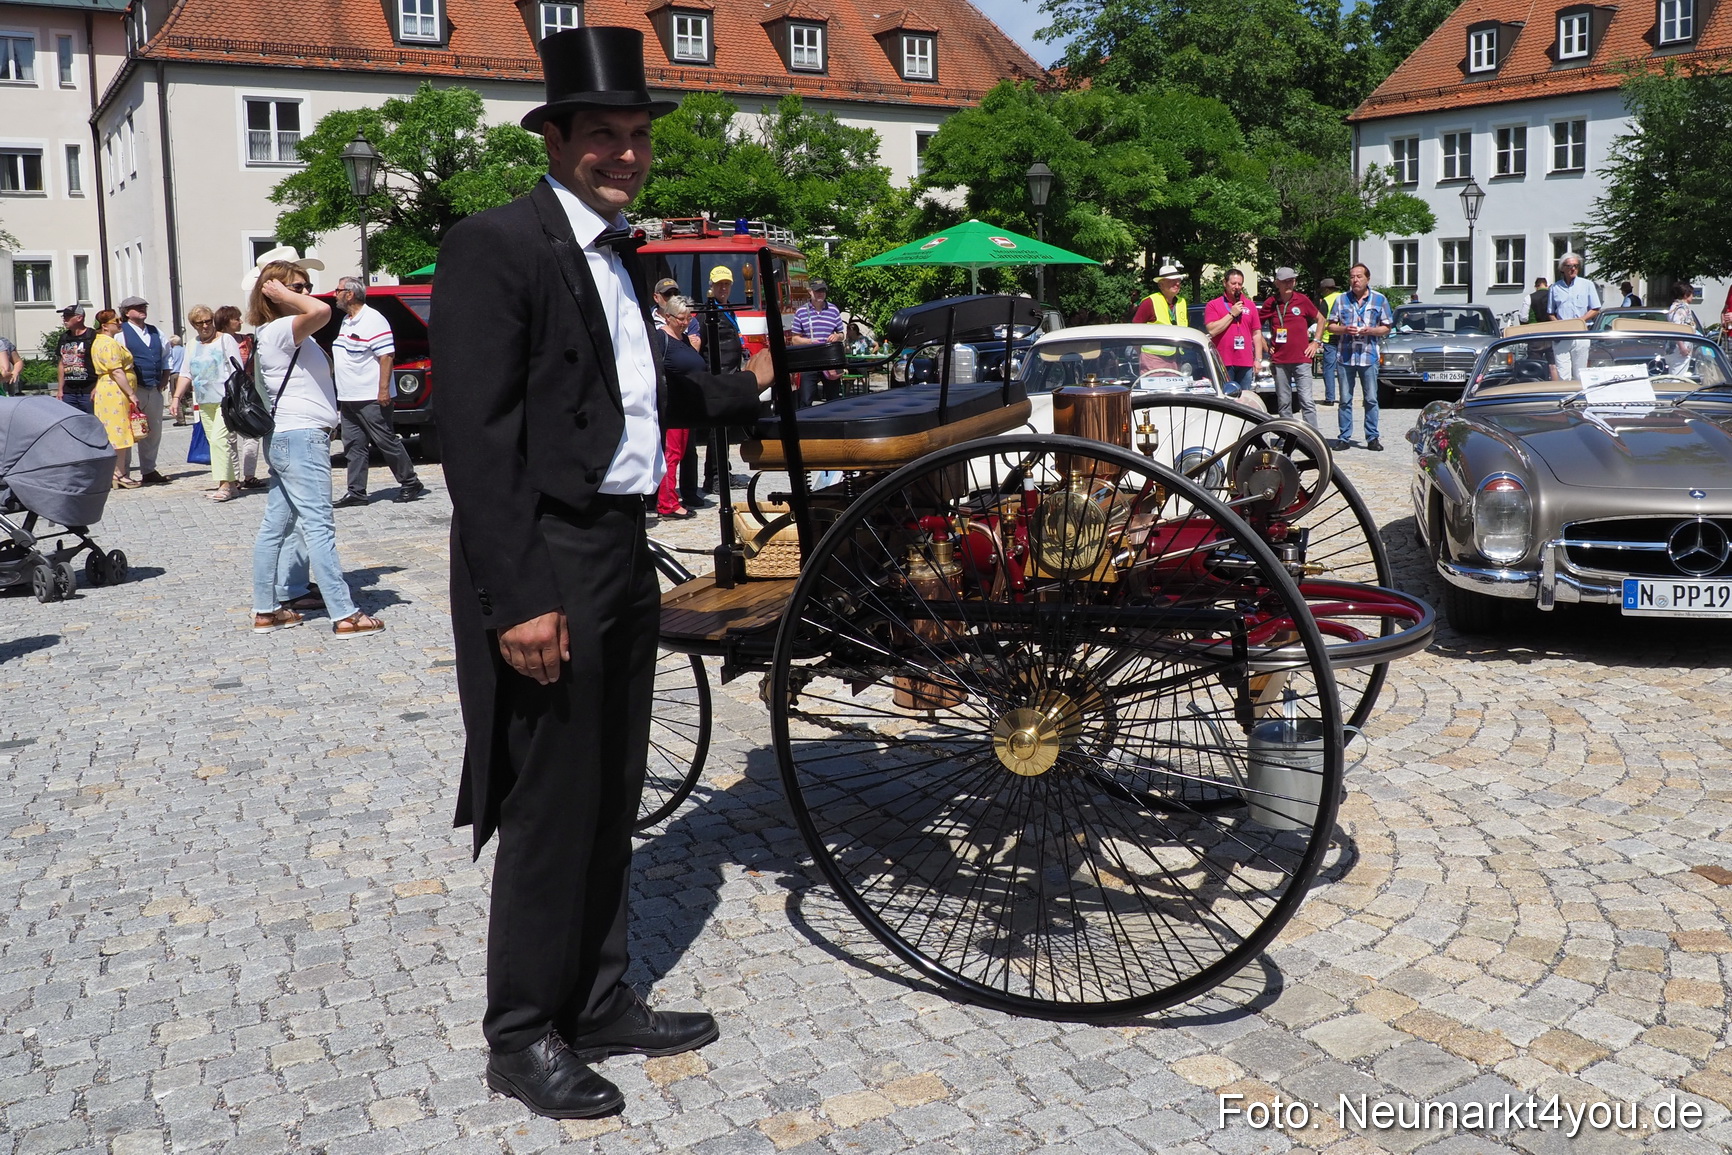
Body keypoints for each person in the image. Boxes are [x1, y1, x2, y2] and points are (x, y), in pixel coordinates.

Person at [430, 25, 774, 1121]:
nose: (625, 153)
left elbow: (655, 387)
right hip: (551, 554)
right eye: (604, 136)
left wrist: (753, 385)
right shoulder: (499, 243)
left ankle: (599, 994)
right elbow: (474, 440)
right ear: (557, 139)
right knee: (548, 800)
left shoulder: (619, 256)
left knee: (612, 788)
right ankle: (522, 1031)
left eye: (637, 136)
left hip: (622, 547)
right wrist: (519, 598)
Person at [247, 260, 384, 639]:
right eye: (299, 286)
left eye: (306, 286)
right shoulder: (279, 330)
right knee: (319, 526)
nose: (308, 292)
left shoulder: (286, 333)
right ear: (275, 293)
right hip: (302, 437)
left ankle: (266, 609)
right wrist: (280, 292)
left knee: (276, 525)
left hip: (290, 437)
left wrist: (287, 294)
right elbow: (323, 310)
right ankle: (344, 614)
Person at [330, 277, 427, 508]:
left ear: (350, 294)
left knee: (385, 441)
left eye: (338, 290)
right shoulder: (347, 320)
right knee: (353, 445)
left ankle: (410, 482)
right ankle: (356, 491)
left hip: (371, 396)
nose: (335, 294)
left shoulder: (374, 319)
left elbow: (386, 357)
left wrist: (383, 390)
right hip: (349, 396)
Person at [174, 305, 244, 502]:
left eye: (208, 321)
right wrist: (176, 398)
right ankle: (231, 483)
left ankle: (225, 485)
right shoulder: (192, 345)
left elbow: (237, 370)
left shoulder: (225, 340)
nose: (205, 326)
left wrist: (236, 398)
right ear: (193, 325)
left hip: (225, 399)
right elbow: (186, 372)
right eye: (200, 323)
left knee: (221, 440)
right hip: (205, 400)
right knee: (214, 442)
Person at [1326, 263, 1393, 451]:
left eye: (1359, 276)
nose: (1355, 280)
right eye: (1352, 277)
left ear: (1367, 279)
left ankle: (1372, 437)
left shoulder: (1379, 300)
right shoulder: (1341, 300)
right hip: (1345, 355)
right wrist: (1344, 329)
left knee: (1371, 398)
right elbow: (1330, 326)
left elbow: (1387, 327)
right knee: (1345, 399)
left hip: (1368, 355)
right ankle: (1344, 437)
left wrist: (1371, 330)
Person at [653, 295, 705, 519]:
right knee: (670, 454)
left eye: (688, 317)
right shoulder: (660, 338)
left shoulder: (684, 338)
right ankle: (667, 503)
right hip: (670, 405)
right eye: (681, 318)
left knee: (680, 453)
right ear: (668, 317)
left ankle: (671, 499)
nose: (686, 322)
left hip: (684, 404)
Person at [116, 296, 172, 484]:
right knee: (130, 430)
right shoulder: (121, 333)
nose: (142, 309)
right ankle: (124, 471)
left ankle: (149, 469)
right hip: (133, 388)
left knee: (154, 430)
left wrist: (164, 379)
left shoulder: (156, 332)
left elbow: (166, 357)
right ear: (126, 312)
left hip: (153, 387)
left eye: (143, 306)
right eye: (137, 307)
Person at [1260, 266, 1322, 431]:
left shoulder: (1302, 300)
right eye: (1286, 281)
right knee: (1284, 402)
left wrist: (1315, 342)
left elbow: (1321, 319)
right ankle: (1287, 435)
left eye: (1292, 280)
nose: (1290, 284)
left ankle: (1312, 436)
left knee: (1306, 400)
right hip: (1280, 360)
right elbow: (1255, 327)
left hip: (1302, 359)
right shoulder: (1271, 303)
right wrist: (1266, 347)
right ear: (1277, 283)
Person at [215, 305, 266, 489]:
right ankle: (233, 477)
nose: (240, 322)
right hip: (227, 392)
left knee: (251, 433)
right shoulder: (217, 341)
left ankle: (250, 475)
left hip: (248, 390)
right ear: (226, 321)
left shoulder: (248, 341)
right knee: (230, 437)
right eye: (236, 318)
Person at [90, 309, 142, 487]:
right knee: (119, 431)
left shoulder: (100, 342)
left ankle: (117, 472)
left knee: (114, 431)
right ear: (105, 326)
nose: (120, 323)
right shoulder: (109, 344)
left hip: (108, 387)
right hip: (115, 391)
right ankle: (119, 474)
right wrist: (132, 394)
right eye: (116, 321)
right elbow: (117, 371)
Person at [1204, 269, 1264, 394]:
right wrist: (1232, 313)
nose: (1237, 287)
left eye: (1240, 284)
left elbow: (1257, 334)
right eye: (1233, 283)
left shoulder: (1250, 305)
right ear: (1225, 283)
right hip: (1223, 361)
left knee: (1244, 399)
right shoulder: (1213, 305)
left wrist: (1258, 359)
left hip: (1245, 362)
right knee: (1225, 398)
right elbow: (1212, 330)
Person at [1546, 253, 1601, 379]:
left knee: (1580, 374)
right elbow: (1550, 312)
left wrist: (1580, 321)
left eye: (1576, 266)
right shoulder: (1555, 288)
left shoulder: (1587, 284)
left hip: (1581, 334)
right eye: (1569, 266)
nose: (1573, 269)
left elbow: (1595, 308)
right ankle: (1564, 397)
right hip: (1562, 335)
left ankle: (1579, 397)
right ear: (1562, 268)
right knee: (1563, 374)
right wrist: (1559, 325)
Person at [790, 278, 844, 403]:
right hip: (810, 360)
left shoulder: (833, 310)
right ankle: (805, 422)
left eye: (823, 291)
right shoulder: (801, 312)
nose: (820, 294)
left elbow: (842, 334)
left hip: (829, 360)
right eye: (817, 291)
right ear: (810, 291)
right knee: (806, 398)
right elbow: (795, 339)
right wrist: (810, 342)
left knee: (834, 399)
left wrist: (837, 337)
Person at [1132, 264, 1188, 368]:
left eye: (1178, 280)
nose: (1176, 283)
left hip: (1177, 358)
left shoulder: (1181, 302)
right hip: (1153, 360)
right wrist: (1142, 356)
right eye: (1171, 280)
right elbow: (1135, 331)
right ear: (1160, 285)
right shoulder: (1150, 302)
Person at [55, 305, 98, 413]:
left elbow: (101, 364)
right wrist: (60, 389)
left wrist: (97, 387)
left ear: (79, 318)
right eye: (63, 316)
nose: (64, 319)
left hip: (89, 390)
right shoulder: (64, 337)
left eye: (68, 316)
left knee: (92, 422)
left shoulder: (93, 336)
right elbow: (61, 364)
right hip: (69, 392)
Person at [1317, 277, 1342, 405]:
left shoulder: (1326, 301)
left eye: (1322, 290)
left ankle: (1330, 398)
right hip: (1344, 336)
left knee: (1329, 369)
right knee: (1343, 368)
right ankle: (1344, 397)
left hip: (1330, 338)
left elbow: (1321, 320)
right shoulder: (1345, 297)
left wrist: (1317, 338)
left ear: (1326, 289)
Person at [167, 335, 189, 424]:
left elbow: (168, 363)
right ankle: (197, 415)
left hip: (175, 374)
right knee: (188, 396)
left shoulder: (171, 351)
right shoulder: (185, 350)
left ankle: (180, 419)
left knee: (176, 396)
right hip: (186, 374)